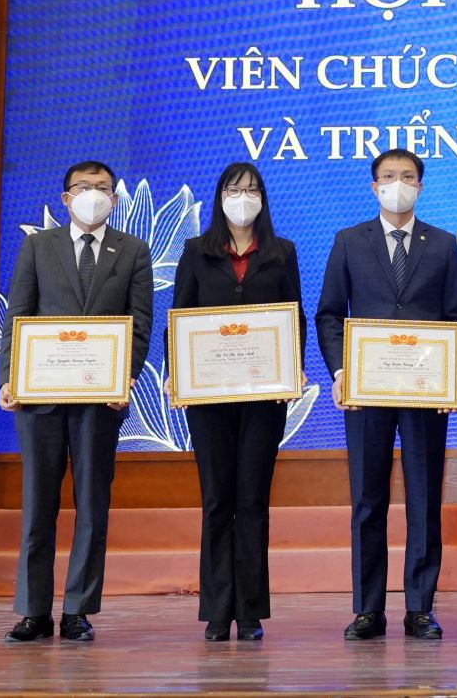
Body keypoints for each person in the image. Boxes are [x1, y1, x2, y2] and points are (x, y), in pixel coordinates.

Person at [0, 161, 154, 643]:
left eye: (103, 188)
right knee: (38, 505)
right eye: (85, 188)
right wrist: (9, 378)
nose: (94, 195)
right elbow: (18, 314)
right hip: (39, 397)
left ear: (115, 199)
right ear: (66, 198)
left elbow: (139, 324)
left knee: (92, 505)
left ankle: (78, 610)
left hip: (100, 400)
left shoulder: (133, 250)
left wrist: (124, 378)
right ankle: (33, 612)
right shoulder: (38, 246)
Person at [316, 148, 457, 641]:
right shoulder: (348, 241)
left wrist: (452, 375)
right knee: (367, 499)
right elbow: (329, 314)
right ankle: (368, 609)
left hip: (425, 392)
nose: (397, 184)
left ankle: (420, 607)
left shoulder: (443, 244)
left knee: (424, 498)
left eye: (407, 176)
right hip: (366, 391)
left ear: (419, 186)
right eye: (388, 176)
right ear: (374, 185)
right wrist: (341, 371)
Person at [165, 162, 305, 643]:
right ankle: (216, 610)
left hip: (265, 395)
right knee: (217, 499)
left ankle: (249, 611)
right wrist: (176, 372)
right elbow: (180, 314)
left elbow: (294, 316)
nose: (243, 197)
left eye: (251, 189)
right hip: (209, 395)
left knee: (252, 499)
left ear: (263, 198)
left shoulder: (282, 252)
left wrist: (293, 365)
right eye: (233, 188)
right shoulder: (195, 252)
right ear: (219, 196)